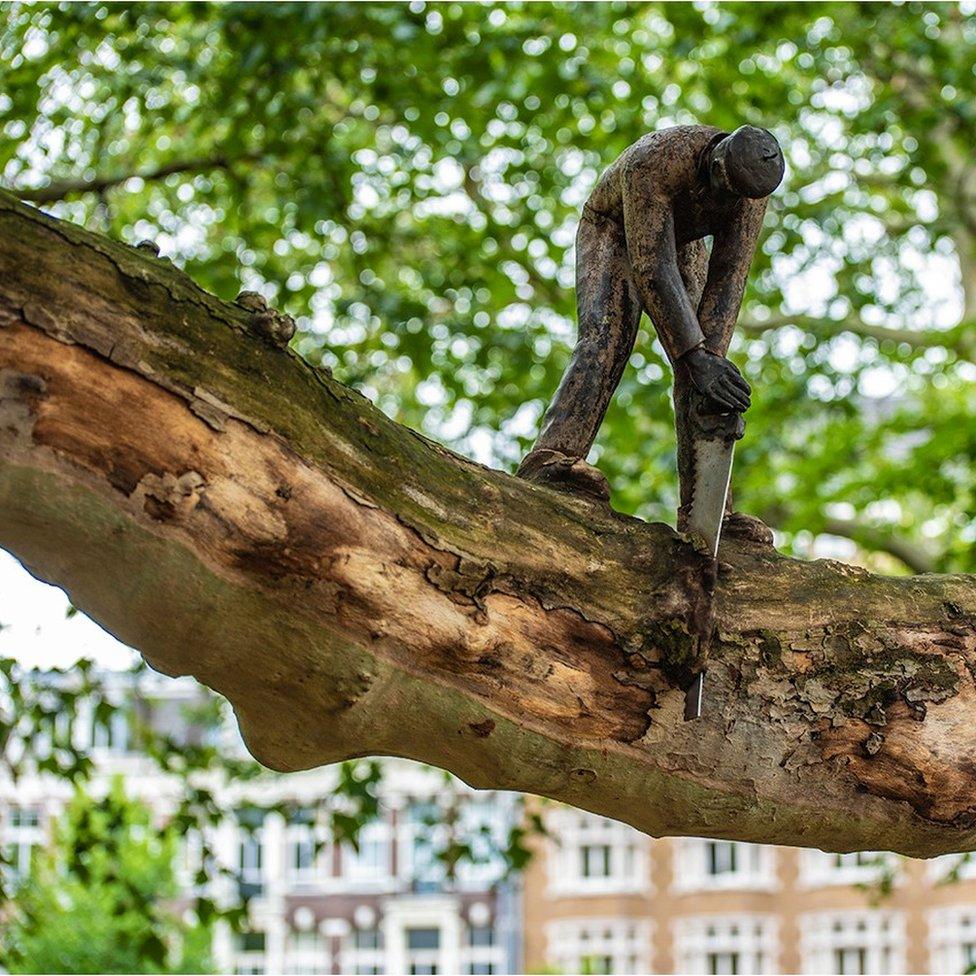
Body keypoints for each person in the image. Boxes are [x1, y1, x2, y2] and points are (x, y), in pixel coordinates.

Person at [518, 124, 784, 535]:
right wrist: (694, 353)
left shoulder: (751, 194)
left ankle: (711, 515)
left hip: (680, 242)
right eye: (722, 189)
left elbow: (730, 277)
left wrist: (709, 362)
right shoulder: (657, 159)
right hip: (614, 229)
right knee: (605, 337)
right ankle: (554, 458)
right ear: (715, 163)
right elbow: (651, 267)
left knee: (706, 378)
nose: (725, 202)